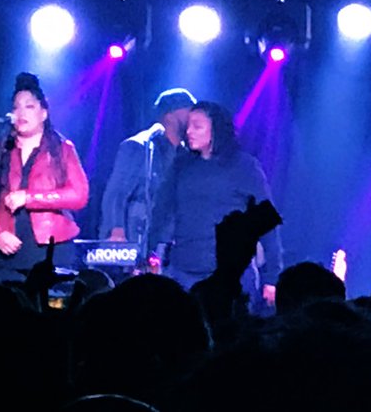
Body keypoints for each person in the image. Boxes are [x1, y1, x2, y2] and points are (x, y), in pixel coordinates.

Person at [147, 101, 282, 310]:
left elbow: (266, 222)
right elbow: (161, 212)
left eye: (197, 126)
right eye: (188, 126)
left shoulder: (244, 166)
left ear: (216, 130)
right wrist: (150, 252)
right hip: (184, 270)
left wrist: (272, 277)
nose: (189, 131)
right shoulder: (181, 165)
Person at [0, 72, 89, 281]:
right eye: (16, 107)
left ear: (44, 113)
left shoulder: (62, 149)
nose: (21, 112)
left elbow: (79, 195)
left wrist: (29, 197)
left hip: (53, 250)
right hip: (8, 253)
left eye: (29, 106)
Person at [100, 88, 196, 246]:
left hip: (171, 242)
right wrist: (116, 231)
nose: (193, 117)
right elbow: (116, 193)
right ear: (170, 115)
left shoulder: (186, 155)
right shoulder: (140, 147)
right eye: (189, 110)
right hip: (139, 239)